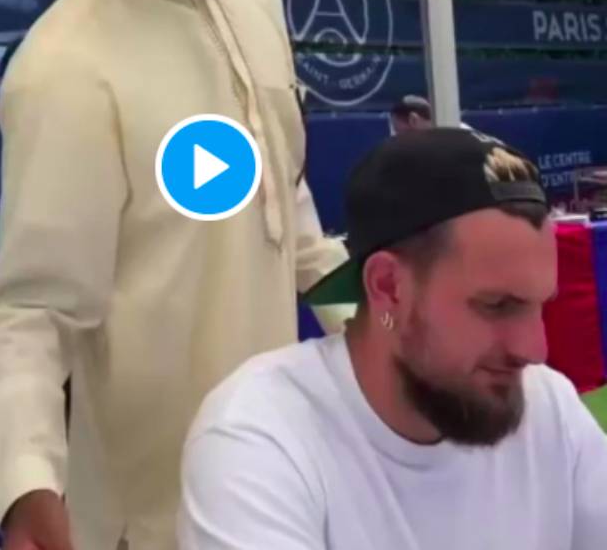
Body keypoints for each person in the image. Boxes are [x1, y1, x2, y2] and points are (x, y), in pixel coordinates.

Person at [0, 0, 347, 550]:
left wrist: (391, 327)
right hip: (154, 521)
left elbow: (293, 215)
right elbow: (29, 312)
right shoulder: (66, 66)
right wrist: (26, 486)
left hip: (284, 491)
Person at [178, 127, 607, 549]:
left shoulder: (549, 407)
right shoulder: (261, 437)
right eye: (496, 305)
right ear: (388, 287)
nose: (534, 350)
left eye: (539, 306)